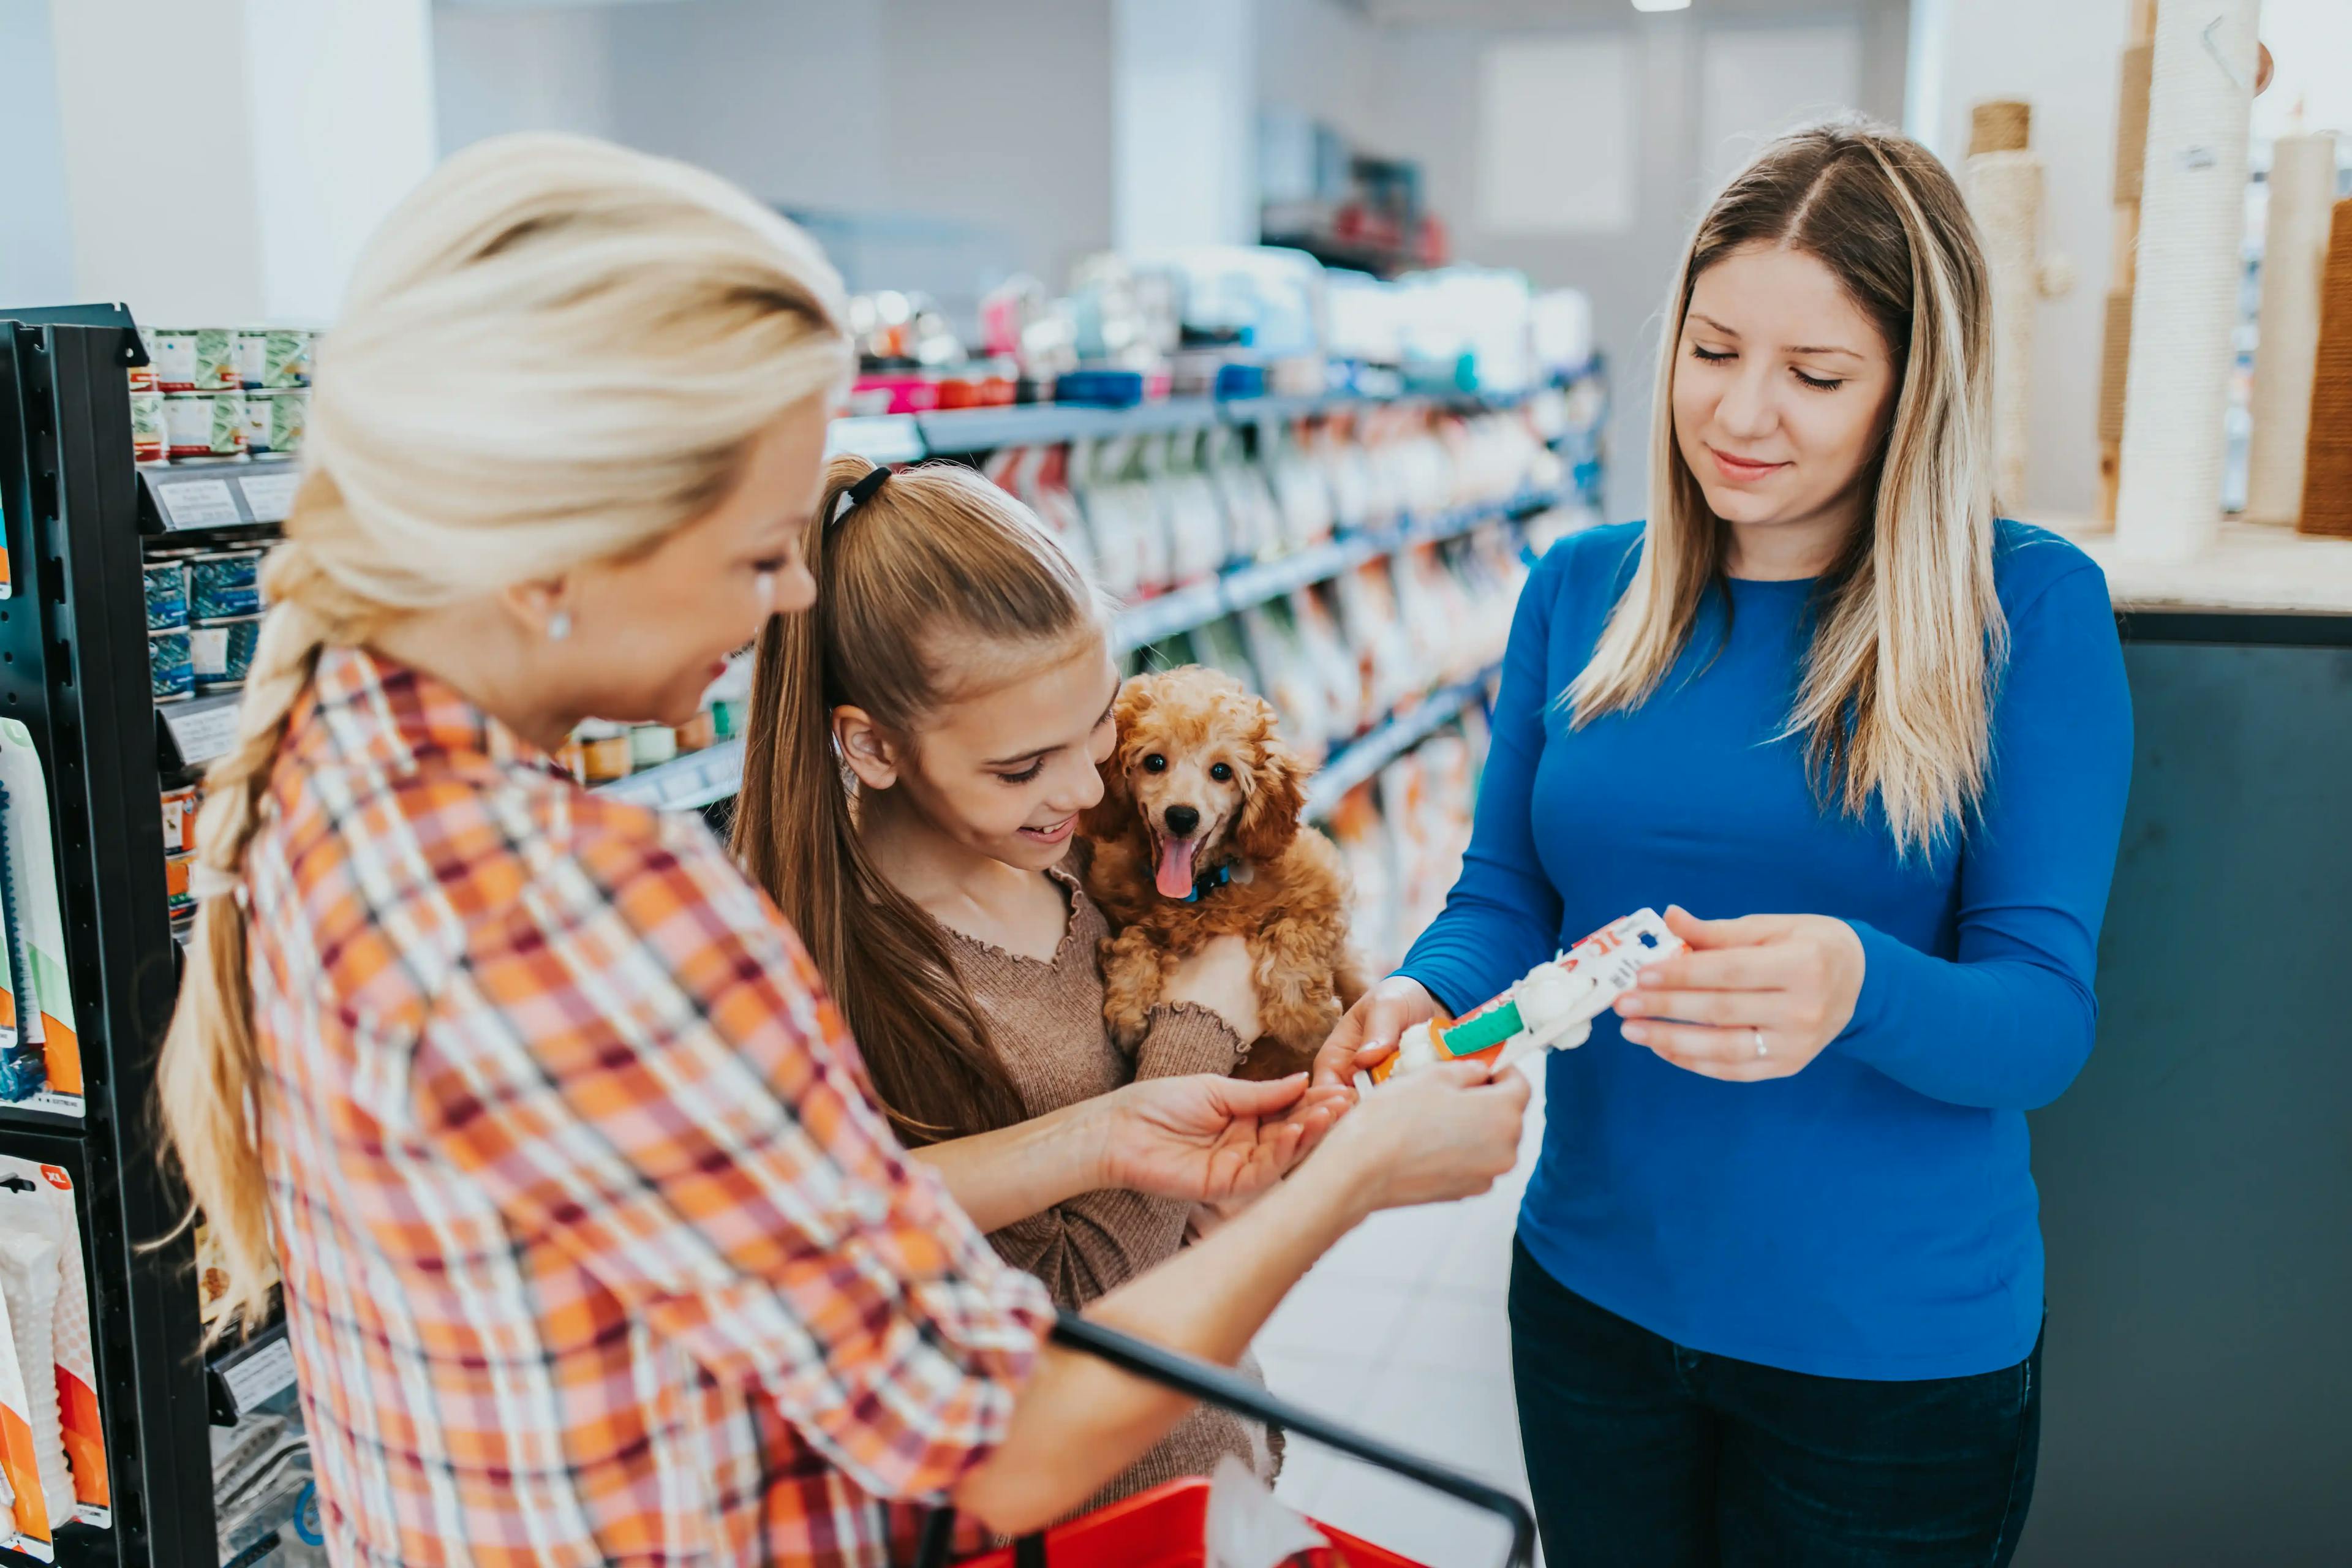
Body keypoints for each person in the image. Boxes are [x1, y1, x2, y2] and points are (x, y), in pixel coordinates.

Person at [154, 132, 1531, 1568]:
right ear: (566, 539)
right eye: (760, 553)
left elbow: (747, 1236)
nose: (793, 600)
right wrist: (1357, 1175)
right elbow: (1007, 1439)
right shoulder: (584, 908)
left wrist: (1104, 1131)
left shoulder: (324, 769)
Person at [1319, 119, 2132, 1566]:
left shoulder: (2027, 608)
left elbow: (2042, 1022)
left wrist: (1858, 984)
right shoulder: (1584, 586)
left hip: (1888, 1363)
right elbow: (1507, 893)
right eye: (1712, 350)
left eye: (1816, 375)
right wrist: (1421, 992)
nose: (1742, 412)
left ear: (1913, 392)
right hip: (1592, 1306)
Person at [729, 459, 1288, 1515]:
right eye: (1022, 767)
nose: (1083, 786)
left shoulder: (1084, 859)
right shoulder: (866, 981)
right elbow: (1070, 1314)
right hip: (1090, 1514)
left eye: (1099, 725)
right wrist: (1203, 1020)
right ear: (872, 745)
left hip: (1210, 1452)